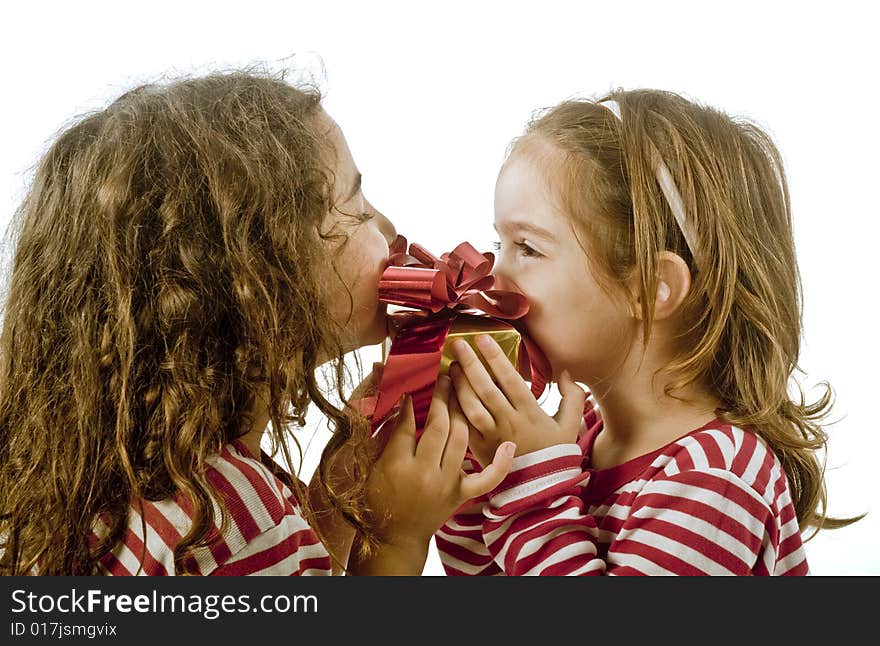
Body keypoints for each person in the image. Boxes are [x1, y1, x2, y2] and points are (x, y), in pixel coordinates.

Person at [0, 69, 514, 576]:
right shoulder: (233, 528)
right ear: (264, 277)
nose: (388, 226)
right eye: (355, 206)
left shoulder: (110, 478)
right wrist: (397, 536)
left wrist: (331, 507)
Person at [436, 88, 864, 575]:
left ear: (650, 287)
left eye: (528, 248)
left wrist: (528, 488)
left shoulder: (717, 474)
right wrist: (478, 466)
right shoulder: (573, 443)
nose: (491, 278)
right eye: (499, 242)